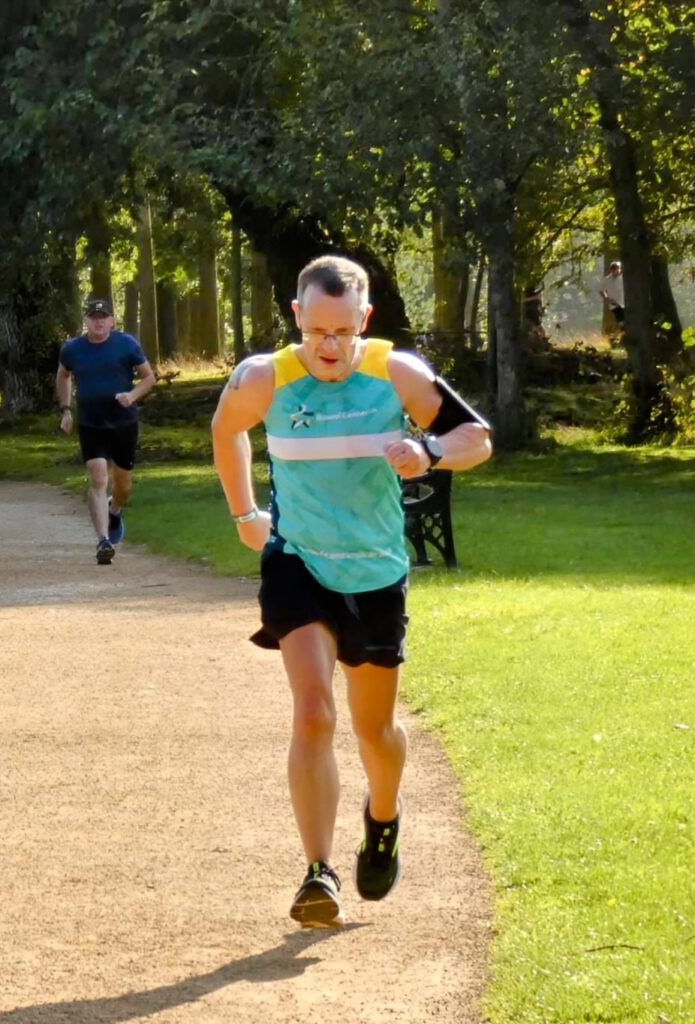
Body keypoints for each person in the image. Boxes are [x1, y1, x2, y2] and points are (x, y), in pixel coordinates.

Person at [211, 255, 492, 928]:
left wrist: (428, 453)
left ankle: (384, 816)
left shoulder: (396, 374)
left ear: (363, 321)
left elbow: (475, 438)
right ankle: (317, 871)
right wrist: (246, 516)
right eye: (318, 332)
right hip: (297, 560)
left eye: (343, 331)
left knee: (375, 731)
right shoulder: (263, 379)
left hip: (374, 572)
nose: (330, 347)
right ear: (296, 316)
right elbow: (225, 432)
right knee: (312, 711)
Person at [57, 298, 155, 565]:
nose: (98, 321)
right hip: (91, 423)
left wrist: (132, 396)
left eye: (103, 317)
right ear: (86, 321)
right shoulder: (72, 349)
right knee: (98, 476)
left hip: (123, 422)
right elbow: (63, 375)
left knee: (123, 484)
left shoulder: (126, 344)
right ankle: (103, 540)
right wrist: (66, 409)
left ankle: (115, 510)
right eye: (93, 317)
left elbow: (149, 377)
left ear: (112, 321)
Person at [599, 260, 625, 326]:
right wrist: (607, 298)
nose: (615, 271)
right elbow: (601, 290)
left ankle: (624, 332)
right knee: (620, 320)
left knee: (626, 320)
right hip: (614, 304)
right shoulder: (606, 279)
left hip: (624, 302)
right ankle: (623, 330)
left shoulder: (624, 278)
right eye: (613, 269)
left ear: (620, 269)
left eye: (616, 269)